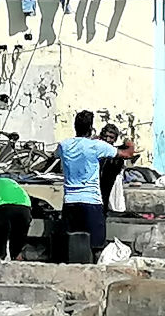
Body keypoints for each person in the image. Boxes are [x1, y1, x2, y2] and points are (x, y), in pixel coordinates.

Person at [57, 110, 134, 258]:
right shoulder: (96, 146)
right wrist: (129, 143)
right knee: (97, 247)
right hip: (92, 202)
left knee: (68, 246)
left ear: (75, 126)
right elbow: (128, 154)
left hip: (70, 202)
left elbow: (55, 154)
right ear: (91, 128)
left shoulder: (64, 145)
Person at [98, 123, 126, 214]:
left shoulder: (116, 157)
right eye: (105, 136)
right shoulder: (94, 150)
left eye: (111, 137)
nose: (107, 139)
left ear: (115, 139)